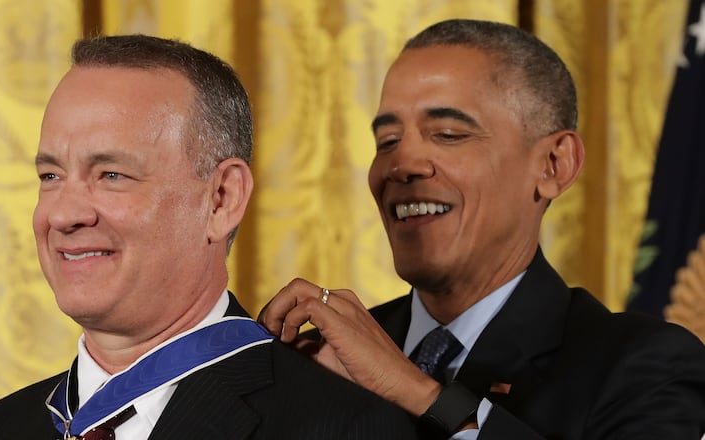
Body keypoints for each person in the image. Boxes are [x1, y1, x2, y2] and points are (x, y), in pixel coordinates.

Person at [0, 35, 418, 440]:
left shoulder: (342, 427)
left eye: (111, 174)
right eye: (51, 175)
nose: (64, 214)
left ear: (221, 199)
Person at [259, 19, 705, 439]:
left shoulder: (641, 365)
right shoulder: (319, 361)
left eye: (449, 133)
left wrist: (416, 391)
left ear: (554, 165)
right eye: (387, 142)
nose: (402, 165)